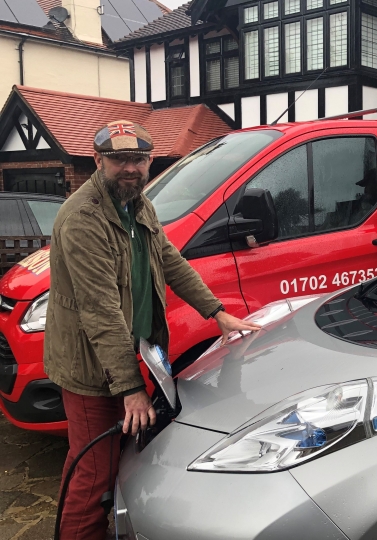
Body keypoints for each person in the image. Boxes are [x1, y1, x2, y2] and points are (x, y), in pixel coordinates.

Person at [43, 120, 261, 540]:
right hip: (91, 369)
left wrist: (217, 312)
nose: (130, 168)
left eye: (139, 159)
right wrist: (130, 388)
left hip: (130, 352)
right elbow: (101, 311)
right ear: (97, 160)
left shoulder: (138, 204)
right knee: (93, 470)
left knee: (105, 462)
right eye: (119, 159)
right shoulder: (83, 219)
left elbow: (171, 261)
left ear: (149, 162)